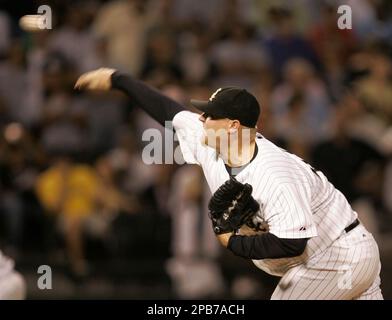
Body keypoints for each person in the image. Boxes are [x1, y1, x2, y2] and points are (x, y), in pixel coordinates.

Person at [74, 68, 383, 300]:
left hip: (337, 257)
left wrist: (231, 241)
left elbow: (292, 243)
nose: (202, 119)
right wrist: (119, 80)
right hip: (332, 255)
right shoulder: (209, 139)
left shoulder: (273, 172)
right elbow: (167, 111)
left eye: (211, 115)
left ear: (233, 126)